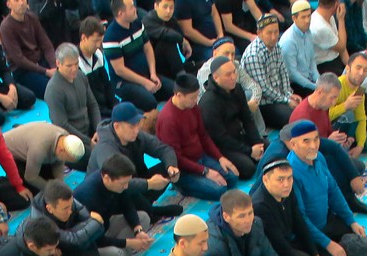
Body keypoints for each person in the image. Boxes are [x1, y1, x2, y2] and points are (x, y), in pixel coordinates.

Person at [287, 120, 367, 256]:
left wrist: (351, 220)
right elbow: (300, 219)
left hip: (326, 221)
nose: (313, 145)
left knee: (357, 238)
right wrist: (328, 244)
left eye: (316, 139)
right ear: (293, 144)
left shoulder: (318, 158)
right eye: (306, 141)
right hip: (306, 235)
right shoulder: (290, 174)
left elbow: (333, 191)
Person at [30, 180, 145, 256]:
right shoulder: (40, 222)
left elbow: (93, 229)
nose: (70, 211)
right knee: (78, 243)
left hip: (71, 246)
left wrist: (91, 225)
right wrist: (95, 222)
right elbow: (77, 239)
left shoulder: (67, 202)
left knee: (84, 238)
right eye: (65, 209)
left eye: (71, 206)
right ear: (49, 209)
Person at [155, 73, 240, 201]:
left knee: (232, 177)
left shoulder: (192, 107)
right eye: (192, 98)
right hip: (184, 169)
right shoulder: (168, 120)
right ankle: (180, 185)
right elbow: (176, 158)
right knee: (220, 190)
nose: (196, 100)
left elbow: (203, 135)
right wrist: (206, 171)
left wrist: (220, 157)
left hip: (200, 157)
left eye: (196, 96)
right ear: (179, 95)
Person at [251, 157, 328, 256]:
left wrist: (315, 254)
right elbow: (278, 243)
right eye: (280, 179)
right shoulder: (260, 206)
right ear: (265, 180)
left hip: (289, 241)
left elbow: (299, 223)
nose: (286, 184)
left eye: (289, 178)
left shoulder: (286, 192)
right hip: (271, 254)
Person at [87, 101, 181, 206]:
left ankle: (145, 207)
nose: (136, 130)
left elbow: (163, 149)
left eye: (138, 124)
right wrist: (149, 184)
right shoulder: (106, 147)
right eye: (132, 126)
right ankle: (144, 209)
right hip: (111, 196)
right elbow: (118, 181)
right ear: (117, 126)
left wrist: (172, 167)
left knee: (166, 168)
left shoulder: (135, 135)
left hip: (132, 181)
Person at [200, 55, 263, 179]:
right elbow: (220, 138)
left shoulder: (237, 88)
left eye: (234, 72)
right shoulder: (209, 103)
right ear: (216, 78)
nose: (233, 77)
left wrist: (257, 143)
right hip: (222, 146)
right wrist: (249, 151)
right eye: (228, 75)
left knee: (267, 148)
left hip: (238, 136)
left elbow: (247, 119)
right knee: (248, 168)